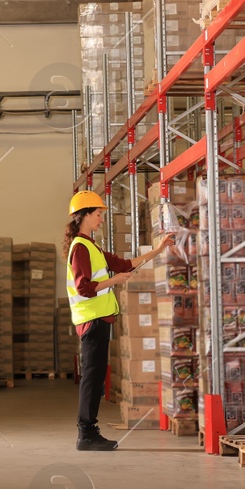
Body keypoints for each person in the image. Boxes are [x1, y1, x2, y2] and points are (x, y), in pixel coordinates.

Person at [66, 190, 173, 451]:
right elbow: (83, 288)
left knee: (96, 375)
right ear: (85, 216)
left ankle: (88, 431)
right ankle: (86, 434)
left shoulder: (92, 247)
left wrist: (159, 250)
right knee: (92, 377)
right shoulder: (80, 247)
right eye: (99, 214)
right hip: (91, 320)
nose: (102, 219)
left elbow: (125, 264)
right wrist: (113, 281)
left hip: (100, 319)